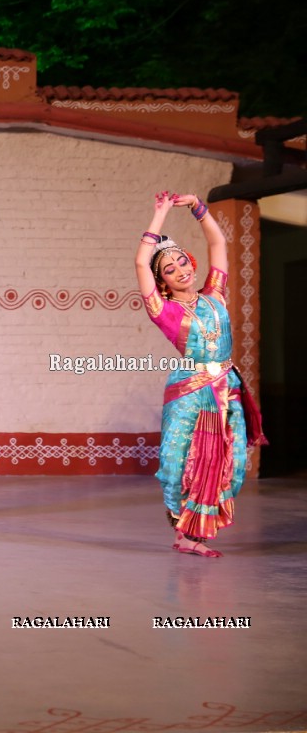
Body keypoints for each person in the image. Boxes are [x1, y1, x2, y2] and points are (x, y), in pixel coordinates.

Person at [135, 191, 265, 557]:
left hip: (227, 388)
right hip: (189, 391)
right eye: (170, 270)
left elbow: (218, 240)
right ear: (162, 281)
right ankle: (184, 533)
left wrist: (196, 207)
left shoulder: (215, 295)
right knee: (176, 464)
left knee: (232, 463)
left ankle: (197, 530)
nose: (181, 270)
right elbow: (142, 264)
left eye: (182, 262)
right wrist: (159, 213)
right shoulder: (162, 309)